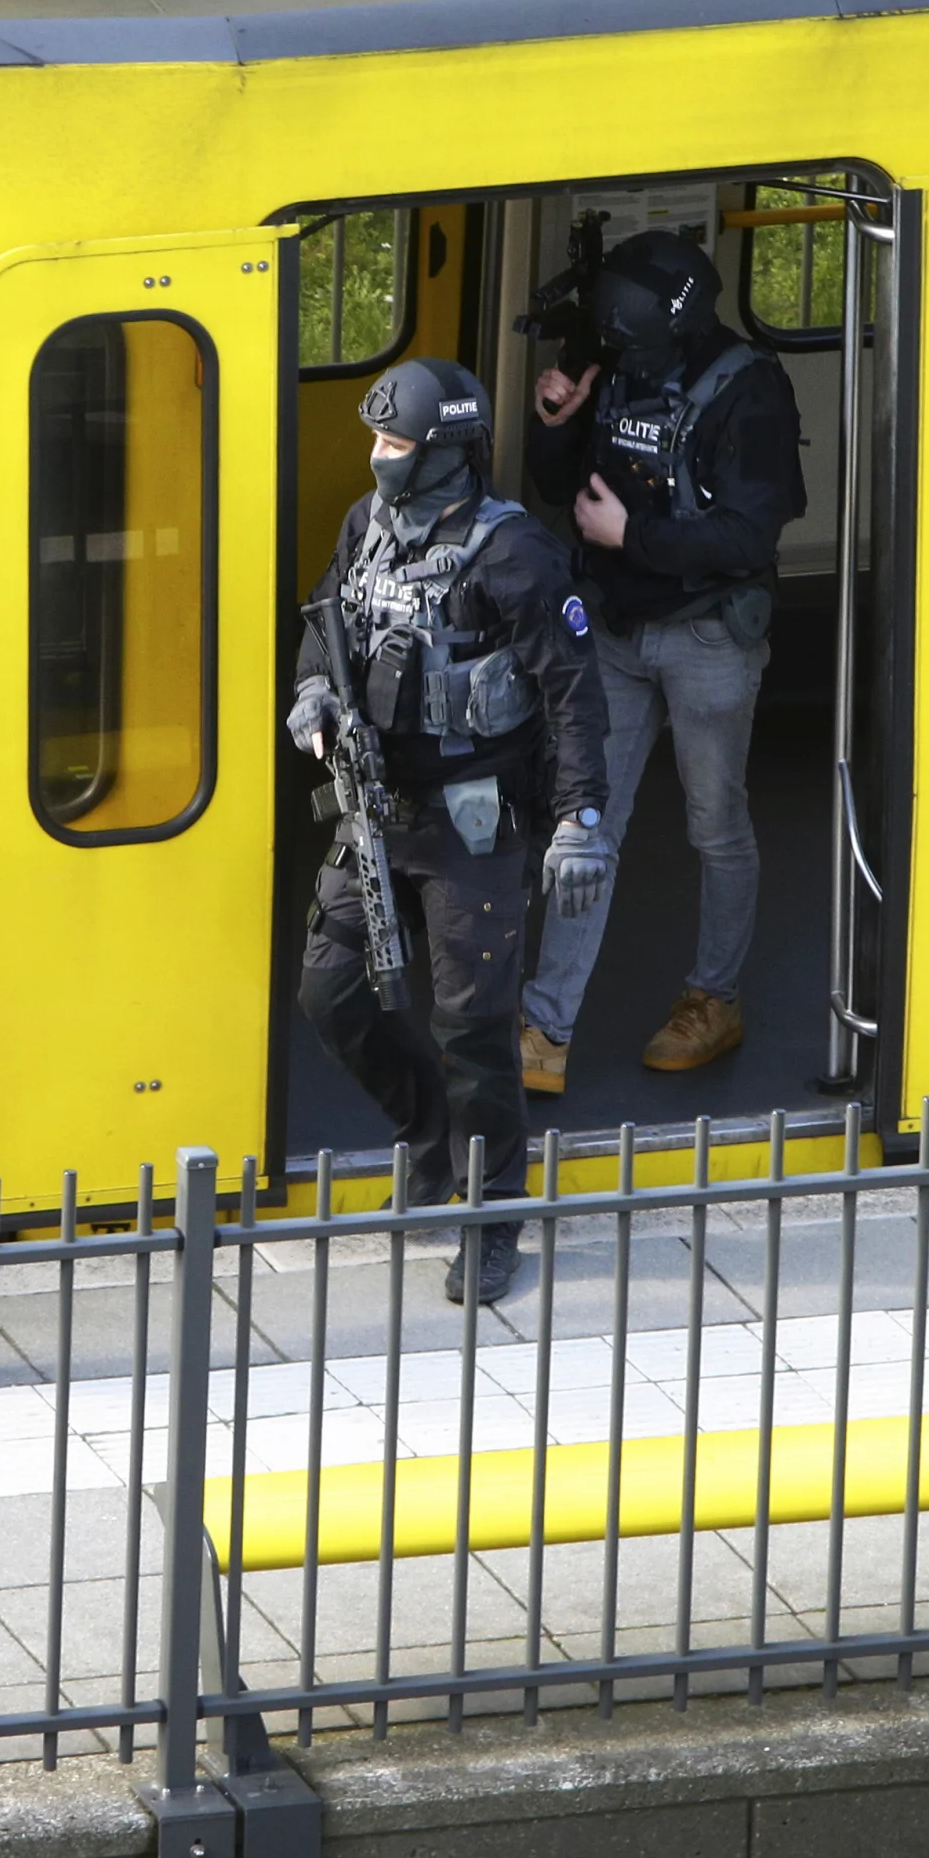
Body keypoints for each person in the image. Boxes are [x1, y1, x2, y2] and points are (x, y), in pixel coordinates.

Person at [291, 359, 608, 1307]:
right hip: (374, 812)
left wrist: (581, 821)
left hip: (476, 824)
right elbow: (325, 622)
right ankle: (433, 1145)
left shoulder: (515, 556)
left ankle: (491, 1213)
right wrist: (311, 691)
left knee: (472, 1027)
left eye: (393, 443)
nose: (376, 458)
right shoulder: (367, 527)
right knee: (330, 991)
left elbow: (575, 697)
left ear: (439, 454)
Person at [518, 228, 808, 1088]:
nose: (619, 356)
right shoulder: (620, 361)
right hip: (614, 630)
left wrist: (630, 535)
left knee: (715, 826)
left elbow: (750, 532)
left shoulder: (746, 391)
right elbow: (557, 489)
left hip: (706, 635)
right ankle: (545, 1030)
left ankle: (712, 999)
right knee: (586, 824)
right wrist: (556, 425)